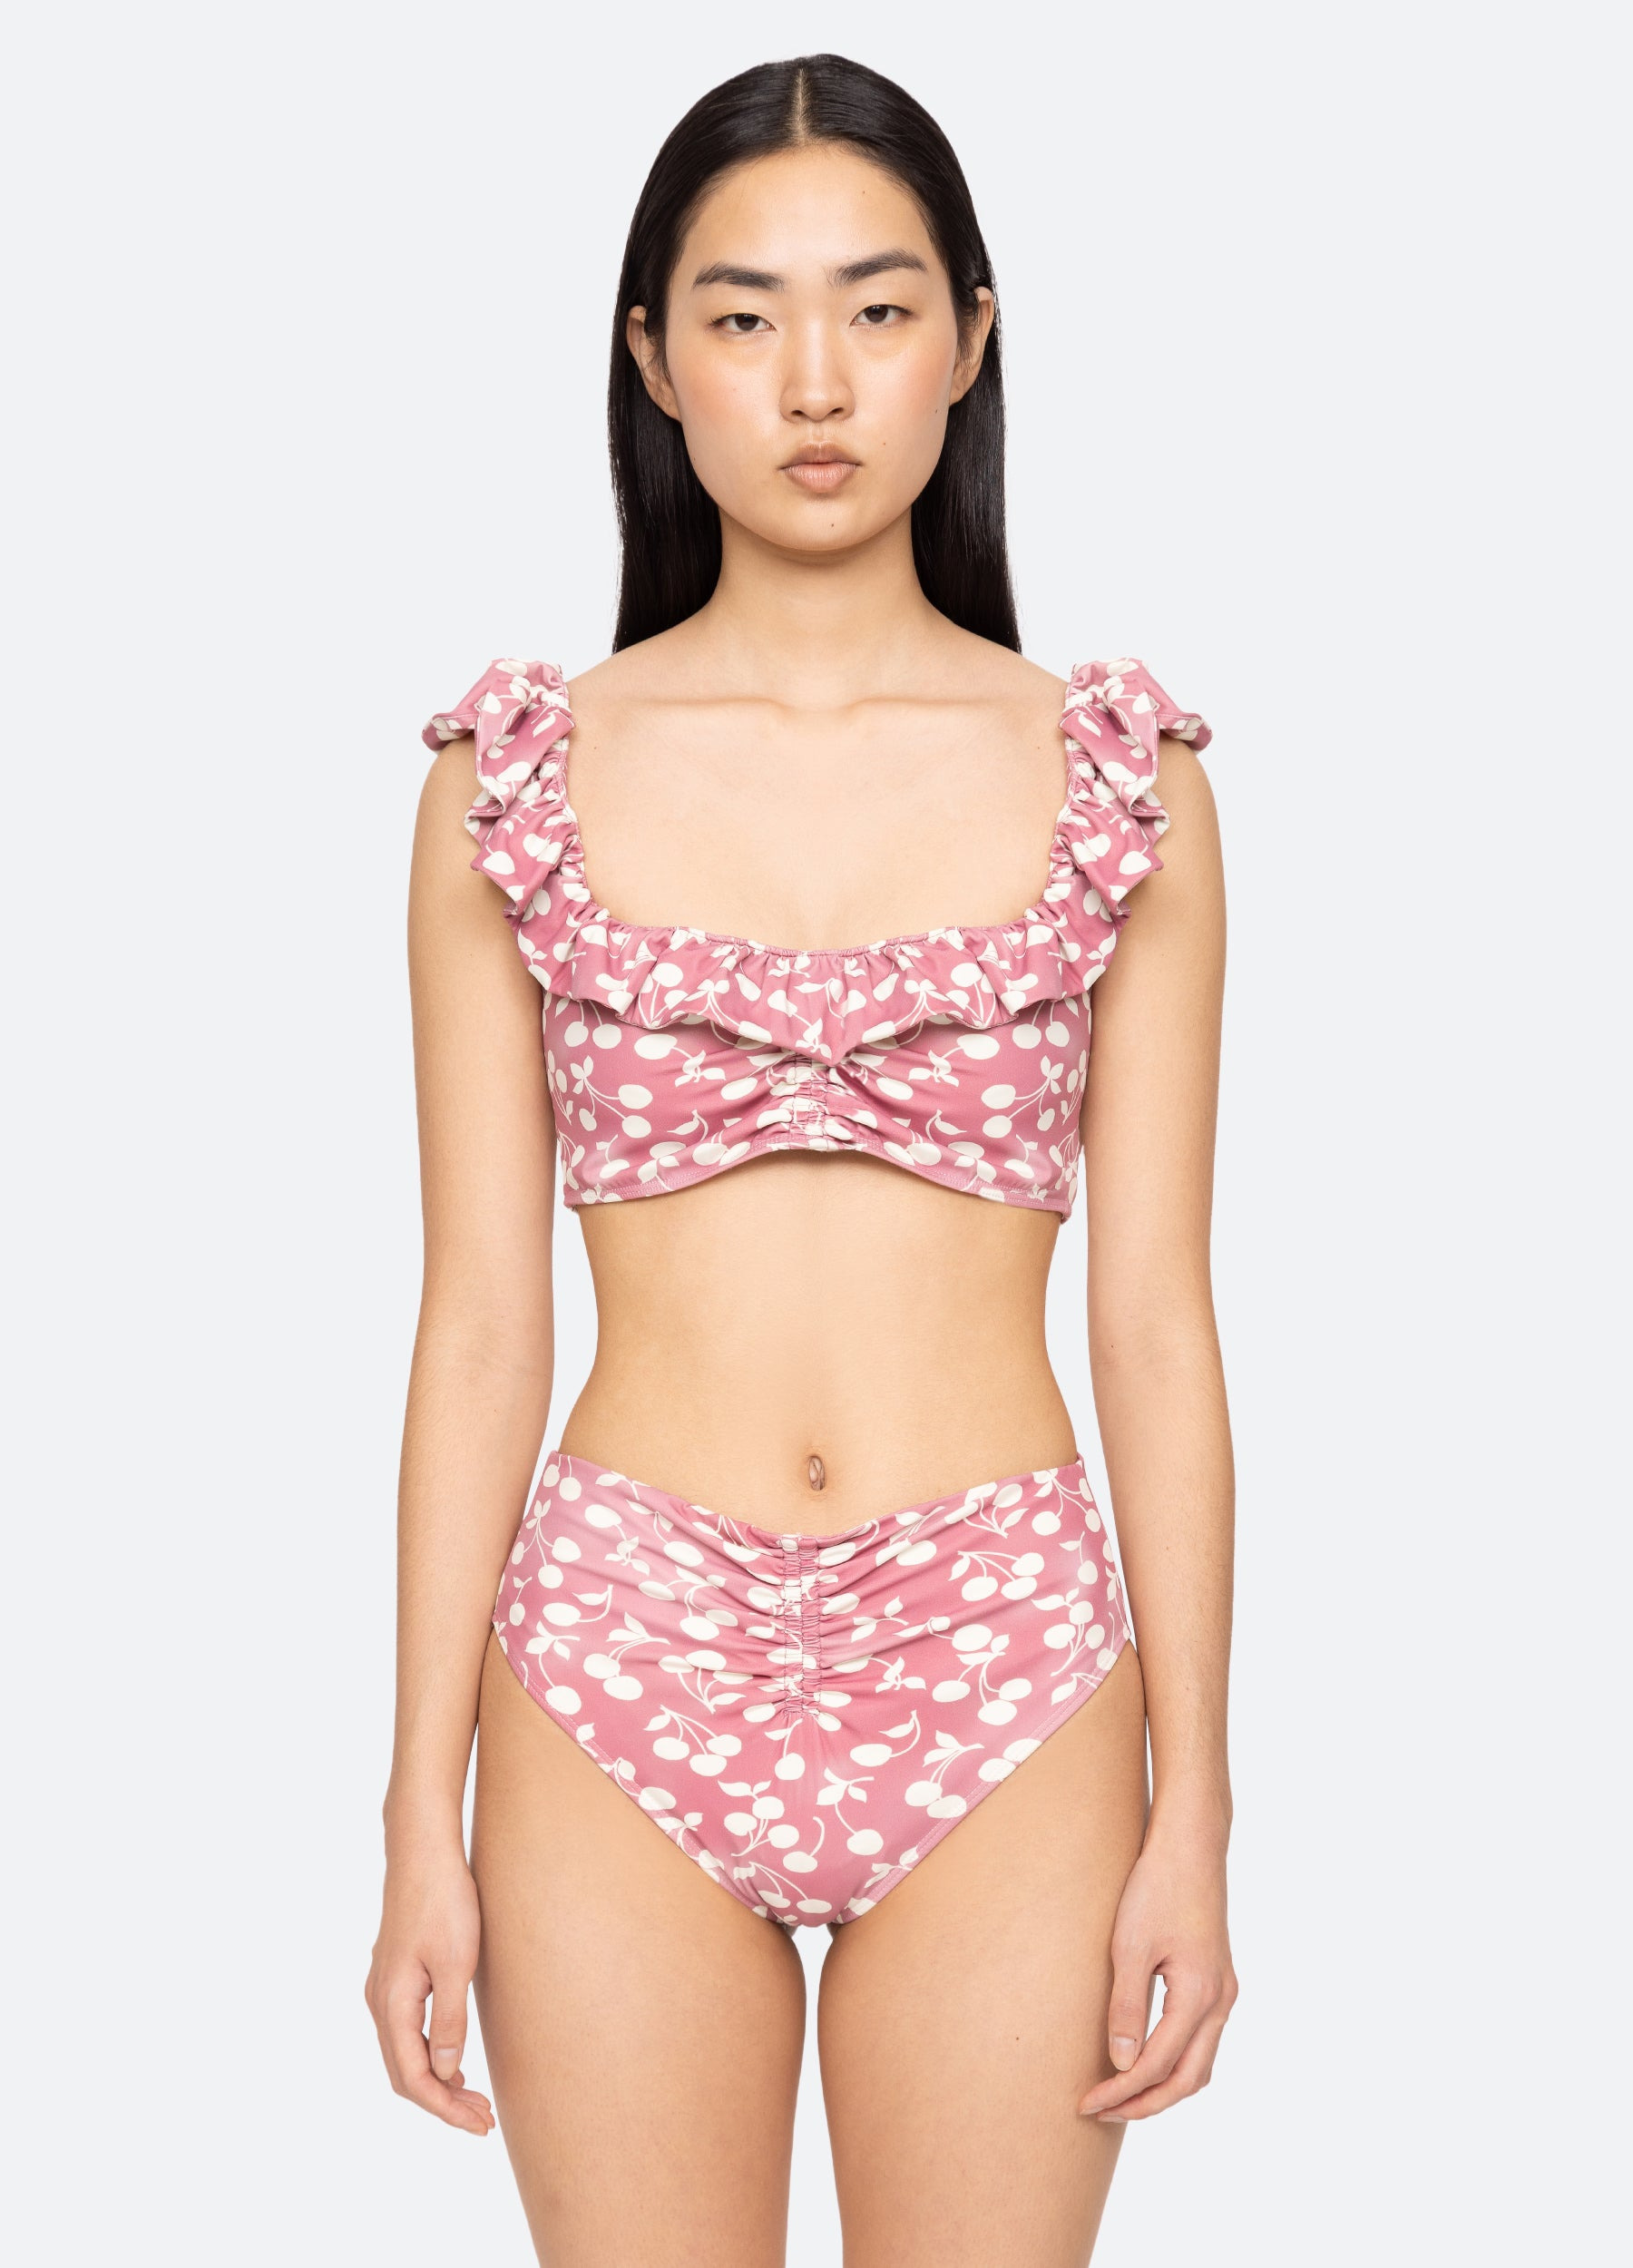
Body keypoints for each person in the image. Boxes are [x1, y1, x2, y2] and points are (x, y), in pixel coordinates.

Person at [366, 50, 1237, 2264]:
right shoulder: (509, 781)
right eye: (744, 315)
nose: (817, 380)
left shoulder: (1124, 781)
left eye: (877, 306)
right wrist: (412, 1813)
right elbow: (478, 1326)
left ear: (971, 335)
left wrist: (1203, 1802)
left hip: (1008, 1650)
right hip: (618, 1651)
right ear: (655, 362)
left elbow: (1155, 1319)